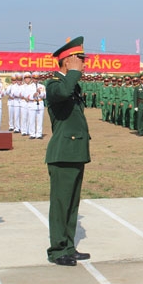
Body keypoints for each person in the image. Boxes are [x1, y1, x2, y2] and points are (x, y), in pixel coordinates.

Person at [45, 36, 91, 266]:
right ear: (68, 61)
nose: (84, 64)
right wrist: (73, 72)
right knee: (61, 204)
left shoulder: (73, 84)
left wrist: (74, 75)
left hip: (75, 150)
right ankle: (57, 250)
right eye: (80, 59)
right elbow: (62, 94)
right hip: (62, 152)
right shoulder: (54, 84)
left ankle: (68, 246)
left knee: (72, 204)